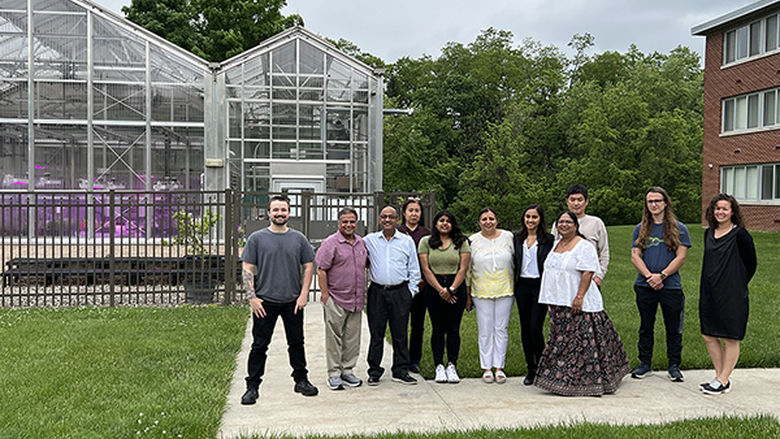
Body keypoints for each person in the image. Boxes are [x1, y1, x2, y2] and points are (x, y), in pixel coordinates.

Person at [535, 211, 630, 396]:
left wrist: (579, 297)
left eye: (568, 222)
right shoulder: (555, 245)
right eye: (561, 222)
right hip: (557, 302)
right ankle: (559, 378)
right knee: (561, 341)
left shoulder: (584, 246)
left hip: (578, 302)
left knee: (580, 343)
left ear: (576, 225)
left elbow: (587, 272)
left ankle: (582, 382)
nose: (564, 225)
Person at [240, 195, 318, 405]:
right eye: (276, 210)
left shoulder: (298, 239)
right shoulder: (256, 239)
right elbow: (247, 268)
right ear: (268, 213)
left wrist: (303, 295)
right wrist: (252, 298)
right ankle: (252, 386)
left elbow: (309, 266)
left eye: (283, 210)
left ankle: (301, 380)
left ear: (289, 212)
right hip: (265, 302)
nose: (280, 214)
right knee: (259, 345)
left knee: (296, 343)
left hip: (293, 301)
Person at [630, 187, 691, 382]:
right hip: (644, 285)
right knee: (646, 326)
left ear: (665, 203)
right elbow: (635, 255)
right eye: (650, 202)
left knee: (673, 327)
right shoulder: (640, 229)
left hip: (670, 286)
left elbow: (681, 257)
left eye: (657, 201)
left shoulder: (679, 228)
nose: (654, 205)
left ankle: (674, 365)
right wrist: (649, 276)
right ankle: (644, 363)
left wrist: (662, 276)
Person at [699, 194, 757, 395]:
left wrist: (737, 282)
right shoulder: (709, 233)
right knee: (708, 334)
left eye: (725, 209)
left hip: (732, 293)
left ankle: (723, 380)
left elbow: (751, 263)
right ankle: (720, 378)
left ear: (733, 212)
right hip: (709, 291)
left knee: (730, 337)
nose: (720, 212)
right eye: (717, 208)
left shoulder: (740, 234)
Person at [364, 205, 421, 386]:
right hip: (377, 293)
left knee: (400, 333)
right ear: (379, 219)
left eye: (391, 217)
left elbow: (414, 269)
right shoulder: (370, 240)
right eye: (383, 217)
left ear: (397, 219)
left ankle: (400, 370)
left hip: (400, 292)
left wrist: (409, 293)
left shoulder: (406, 241)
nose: (387, 220)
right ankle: (374, 371)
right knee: (376, 334)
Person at [315, 207, 368, 391]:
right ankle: (334, 374)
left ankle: (348, 371)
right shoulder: (331, 243)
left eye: (352, 221)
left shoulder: (361, 243)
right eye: (344, 221)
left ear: (356, 223)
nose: (348, 225)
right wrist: (325, 295)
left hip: (356, 300)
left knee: (353, 339)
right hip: (336, 298)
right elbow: (321, 269)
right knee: (334, 338)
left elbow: (366, 265)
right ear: (339, 223)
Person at [418, 210, 471, 383]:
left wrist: (452, 289)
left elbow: (463, 268)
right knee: (438, 328)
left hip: (456, 286)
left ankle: (452, 365)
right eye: (441, 220)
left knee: (454, 328)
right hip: (434, 288)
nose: (445, 223)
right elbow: (426, 269)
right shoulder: (426, 242)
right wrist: (441, 290)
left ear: (453, 224)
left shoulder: (462, 242)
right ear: (435, 223)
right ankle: (439, 366)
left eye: (448, 221)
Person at [466, 208, 514, 384]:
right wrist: (468, 293)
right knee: (485, 329)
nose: (488, 222)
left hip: (505, 288)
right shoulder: (472, 240)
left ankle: (499, 366)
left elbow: (516, 261)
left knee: (501, 328)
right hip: (481, 290)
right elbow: (468, 268)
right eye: (484, 219)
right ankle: (486, 367)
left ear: (497, 220)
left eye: (491, 218)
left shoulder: (508, 237)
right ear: (479, 222)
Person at [512, 204, 554, 386]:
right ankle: (531, 368)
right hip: (522, 286)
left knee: (535, 328)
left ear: (540, 219)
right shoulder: (516, 238)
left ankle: (543, 366)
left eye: (534, 217)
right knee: (525, 328)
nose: (530, 220)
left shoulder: (548, 239)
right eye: (527, 217)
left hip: (540, 285)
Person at [397, 197, 431, 374]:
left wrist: (424, 278)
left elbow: (431, 259)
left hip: (422, 286)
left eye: (417, 211)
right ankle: (401, 359)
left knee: (418, 325)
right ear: (404, 213)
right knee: (400, 324)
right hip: (402, 286)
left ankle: (414, 360)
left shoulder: (426, 233)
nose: (413, 214)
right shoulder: (397, 232)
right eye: (410, 210)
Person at [553, 184, 609, 288]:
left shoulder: (596, 223)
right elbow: (553, 250)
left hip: (589, 279)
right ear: (567, 201)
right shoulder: (560, 223)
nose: (576, 203)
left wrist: (599, 276)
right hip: (564, 279)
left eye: (580, 200)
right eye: (572, 200)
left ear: (586, 201)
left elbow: (604, 252)